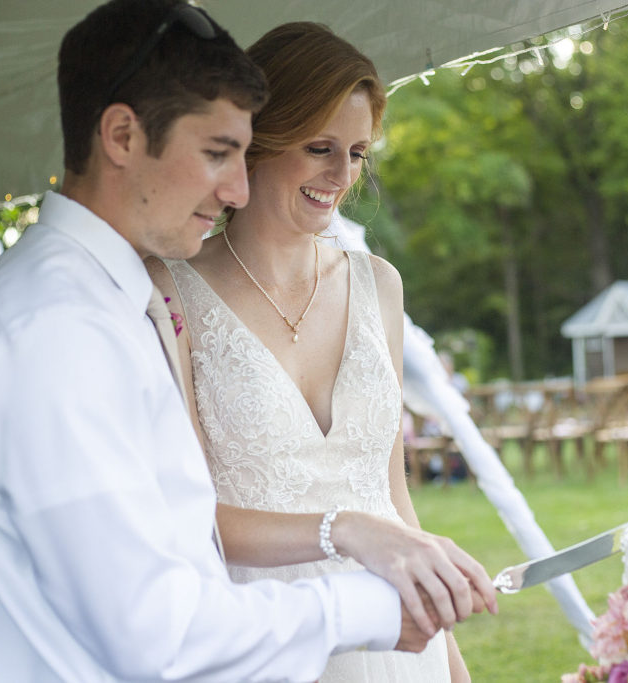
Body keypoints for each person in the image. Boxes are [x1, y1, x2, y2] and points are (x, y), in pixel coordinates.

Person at [0, 3, 485, 681]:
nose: (235, 187)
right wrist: (362, 594)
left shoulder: (110, 302)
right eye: (217, 153)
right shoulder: (56, 330)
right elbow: (154, 634)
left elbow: (173, 546)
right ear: (121, 135)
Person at [147, 21, 495, 682]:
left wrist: (452, 664)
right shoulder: (172, 292)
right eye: (320, 147)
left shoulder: (378, 284)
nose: (342, 175)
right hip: (268, 637)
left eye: (359, 152)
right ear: (257, 139)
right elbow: (191, 518)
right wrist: (347, 528)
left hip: (395, 642)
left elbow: (391, 494)